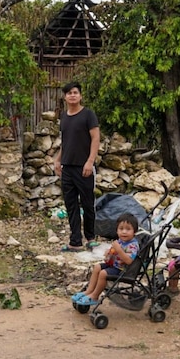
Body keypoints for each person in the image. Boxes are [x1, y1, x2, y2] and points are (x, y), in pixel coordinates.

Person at [54, 81, 101, 252]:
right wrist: (58, 160)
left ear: (80, 95)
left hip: (84, 167)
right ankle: (75, 240)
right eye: (69, 93)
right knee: (71, 205)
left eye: (75, 92)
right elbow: (65, 142)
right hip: (67, 167)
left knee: (88, 203)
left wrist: (90, 161)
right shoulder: (64, 117)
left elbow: (95, 139)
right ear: (65, 97)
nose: (72, 95)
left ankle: (90, 237)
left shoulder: (88, 115)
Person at [71, 213, 140, 306]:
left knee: (103, 273)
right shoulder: (120, 241)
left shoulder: (132, 245)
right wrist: (109, 252)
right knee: (97, 267)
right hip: (113, 264)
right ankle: (89, 291)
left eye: (128, 229)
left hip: (121, 269)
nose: (124, 232)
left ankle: (95, 296)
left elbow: (128, 260)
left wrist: (118, 249)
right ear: (117, 230)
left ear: (134, 232)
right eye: (121, 229)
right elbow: (113, 252)